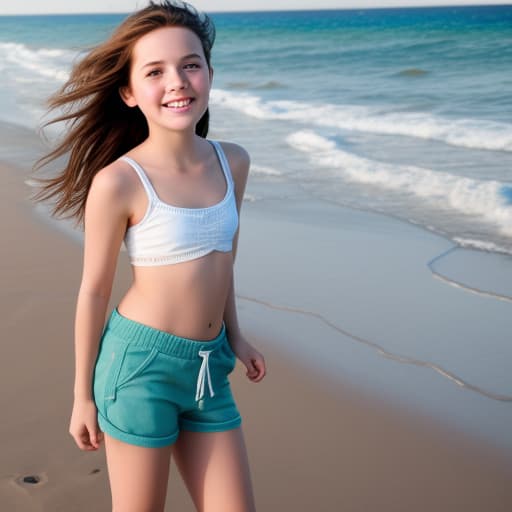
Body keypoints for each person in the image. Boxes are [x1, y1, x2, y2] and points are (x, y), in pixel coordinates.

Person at [34, 1, 266, 510]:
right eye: (155, 71)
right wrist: (82, 397)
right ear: (130, 92)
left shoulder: (234, 162)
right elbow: (93, 290)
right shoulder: (119, 181)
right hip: (140, 368)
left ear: (209, 73)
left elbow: (223, 258)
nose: (178, 81)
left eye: (190, 64)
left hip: (210, 366)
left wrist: (236, 333)